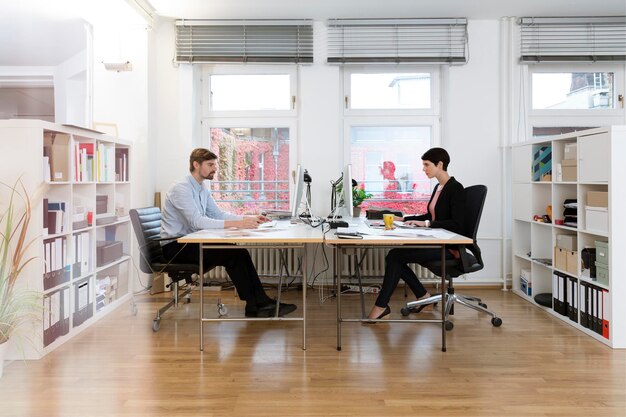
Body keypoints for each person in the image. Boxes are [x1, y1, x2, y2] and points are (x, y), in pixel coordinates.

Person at [161, 148, 297, 318]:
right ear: (196, 165)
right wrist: (239, 223)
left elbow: (218, 215)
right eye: (210, 164)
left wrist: (248, 218)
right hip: (175, 247)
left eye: (215, 164)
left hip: (189, 242)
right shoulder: (181, 188)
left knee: (238, 251)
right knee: (233, 254)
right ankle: (257, 304)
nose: (215, 168)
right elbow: (196, 221)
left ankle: (258, 303)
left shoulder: (202, 188)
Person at [367, 147, 465, 320]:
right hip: (437, 242)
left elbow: (457, 224)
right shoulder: (439, 188)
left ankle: (382, 306)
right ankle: (422, 298)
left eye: (427, 165)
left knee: (395, 256)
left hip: (449, 248)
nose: (423, 168)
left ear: (440, 164)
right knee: (396, 255)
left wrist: (426, 224)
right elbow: (430, 215)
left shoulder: (455, 188)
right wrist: (404, 219)